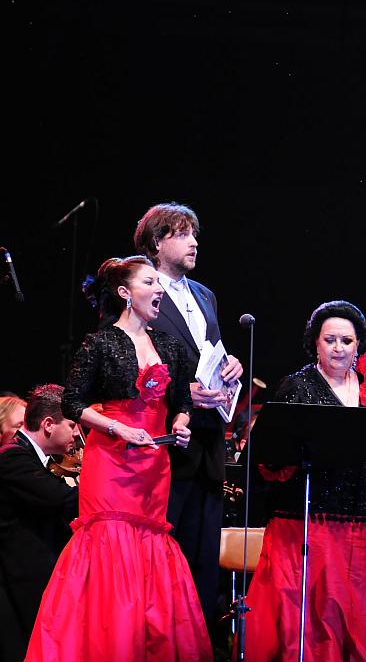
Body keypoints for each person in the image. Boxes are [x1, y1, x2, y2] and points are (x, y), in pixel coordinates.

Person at [26, 255, 210, 661]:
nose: (159, 290)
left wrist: (180, 424)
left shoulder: (168, 345)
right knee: (109, 543)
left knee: (149, 545)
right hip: (111, 461)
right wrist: (118, 428)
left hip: (153, 464)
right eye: (150, 282)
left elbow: (181, 400)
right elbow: (74, 402)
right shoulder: (101, 342)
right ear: (126, 292)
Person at [243, 300, 366, 662]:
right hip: (306, 527)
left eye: (347, 340)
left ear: (359, 345)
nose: (339, 348)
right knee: (309, 625)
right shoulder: (297, 385)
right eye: (330, 340)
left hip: (362, 529)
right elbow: (266, 453)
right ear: (315, 343)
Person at [133, 202, 243, 635]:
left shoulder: (204, 294)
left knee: (202, 556)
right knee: (164, 550)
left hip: (210, 438)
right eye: (183, 234)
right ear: (158, 242)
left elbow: (208, 354)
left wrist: (229, 364)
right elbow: (128, 359)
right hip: (167, 438)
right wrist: (181, 392)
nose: (194, 242)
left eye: (195, 234)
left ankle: (193, 643)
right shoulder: (140, 288)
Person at [0, 384, 79, 662]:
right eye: (71, 425)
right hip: (19, 582)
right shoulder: (13, 457)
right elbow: (61, 500)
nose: (76, 433)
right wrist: (105, 478)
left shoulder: (29, 458)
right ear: (48, 425)